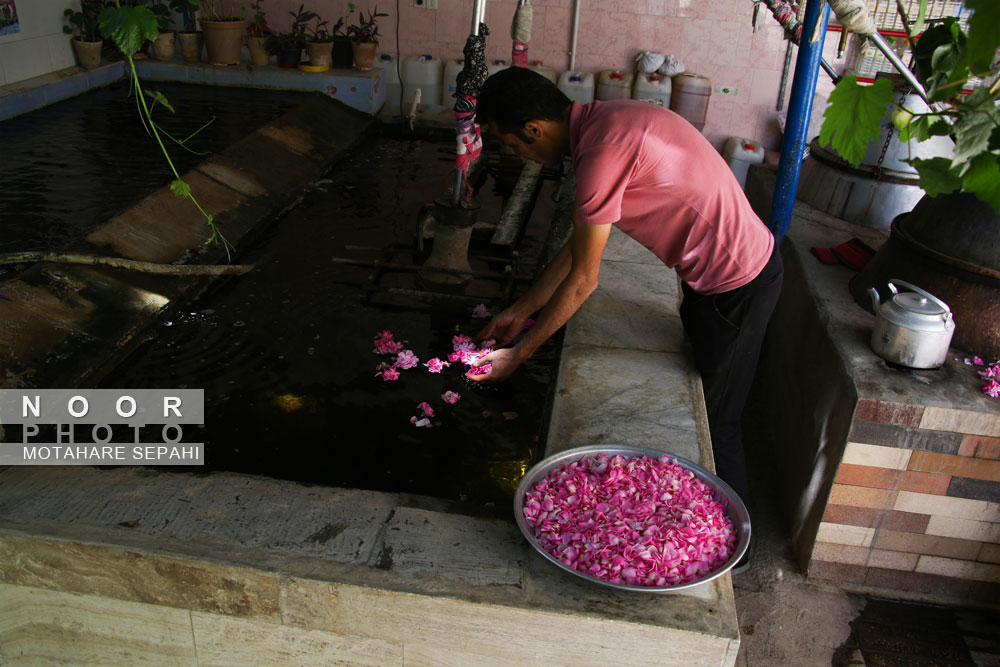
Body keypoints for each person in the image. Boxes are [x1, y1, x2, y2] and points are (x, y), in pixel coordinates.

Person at [466, 67, 783, 544]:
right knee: (707, 386)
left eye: (516, 146)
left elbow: (583, 280)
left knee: (718, 421)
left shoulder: (600, 155)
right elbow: (579, 247)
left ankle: (735, 548)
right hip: (712, 280)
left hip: (737, 283)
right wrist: (520, 310)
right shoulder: (607, 120)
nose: (522, 157)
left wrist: (518, 354)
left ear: (534, 129)